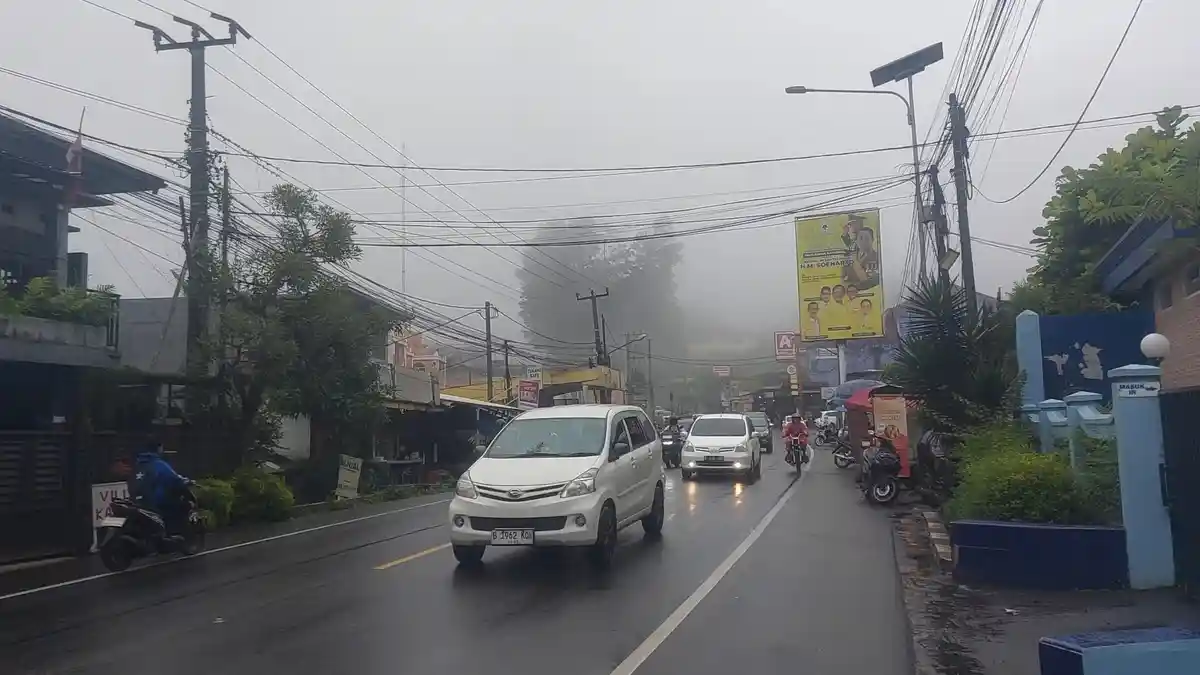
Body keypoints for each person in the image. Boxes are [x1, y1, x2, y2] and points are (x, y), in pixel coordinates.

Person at [128, 441, 188, 536]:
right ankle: (171, 534)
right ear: (158, 449)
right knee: (176, 508)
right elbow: (174, 478)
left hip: (137, 501)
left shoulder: (138, 464)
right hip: (156, 502)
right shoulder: (159, 464)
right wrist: (186, 481)